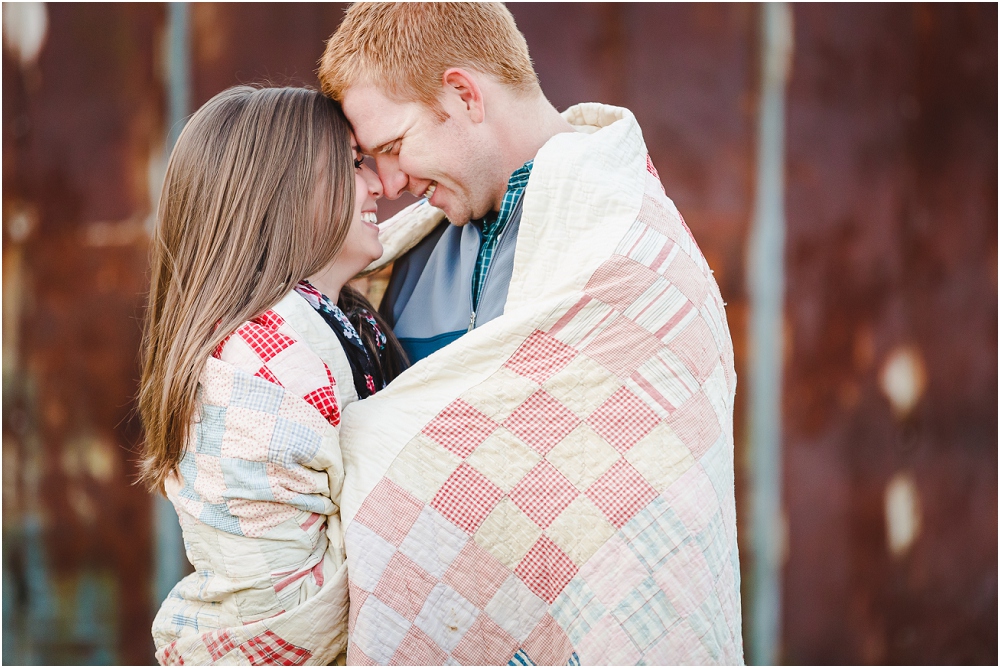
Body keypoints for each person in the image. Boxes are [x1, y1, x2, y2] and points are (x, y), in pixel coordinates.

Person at [319, 3, 744, 666]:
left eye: (395, 148)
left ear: (463, 95)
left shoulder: (628, 253)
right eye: (372, 159)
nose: (391, 182)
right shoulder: (401, 266)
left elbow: (655, 511)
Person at [137, 85, 406, 665]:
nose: (381, 185)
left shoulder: (349, 324)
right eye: (354, 164)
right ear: (280, 192)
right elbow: (280, 606)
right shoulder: (258, 360)